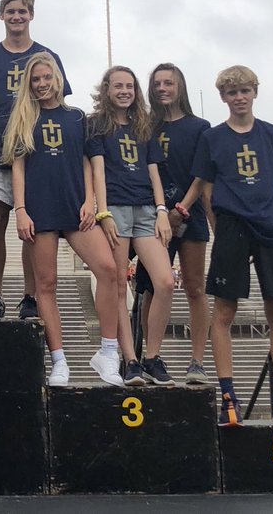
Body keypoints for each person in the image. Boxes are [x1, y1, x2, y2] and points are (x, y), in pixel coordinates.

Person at [177, 65, 273, 427]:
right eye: (232, 92)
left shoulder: (272, 134)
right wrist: (218, 227)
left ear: (255, 92)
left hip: (269, 227)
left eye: (245, 91)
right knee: (223, 314)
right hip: (232, 226)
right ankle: (228, 397)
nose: (239, 97)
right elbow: (205, 187)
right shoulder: (213, 137)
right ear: (223, 97)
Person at [2, 53, 124, 387]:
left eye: (46, 77)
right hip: (40, 210)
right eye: (35, 80)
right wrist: (21, 210)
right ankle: (58, 360)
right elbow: (19, 167)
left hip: (75, 209)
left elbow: (85, 162)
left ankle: (108, 352)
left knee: (109, 270)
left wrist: (90, 201)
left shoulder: (77, 118)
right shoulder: (23, 119)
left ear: (57, 77)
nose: (41, 84)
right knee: (46, 284)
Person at [0, 0, 71, 321]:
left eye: (22, 11)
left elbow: (59, 103)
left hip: (36, 157)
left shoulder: (47, 56)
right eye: (10, 11)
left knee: (33, 227)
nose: (16, 17)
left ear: (31, 15)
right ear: (2, 15)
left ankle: (30, 296)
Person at [88, 66, 174, 387]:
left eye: (130, 86)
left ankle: (152, 356)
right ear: (106, 89)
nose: (124, 91)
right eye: (118, 86)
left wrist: (162, 209)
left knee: (164, 281)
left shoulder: (144, 125)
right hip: (118, 209)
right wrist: (103, 212)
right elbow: (98, 171)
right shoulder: (96, 124)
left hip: (147, 209)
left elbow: (154, 172)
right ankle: (130, 360)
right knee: (118, 287)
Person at [140, 63, 212, 385]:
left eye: (168, 83)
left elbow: (202, 176)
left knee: (195, 287)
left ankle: (197, 360)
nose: (162, 88)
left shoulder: (200, 127)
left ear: (179, 86)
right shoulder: (145, 126)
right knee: (151, 288)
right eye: (157, 84)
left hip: (189, 215)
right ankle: (149, 354)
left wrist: (181, 209)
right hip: (153, 218)